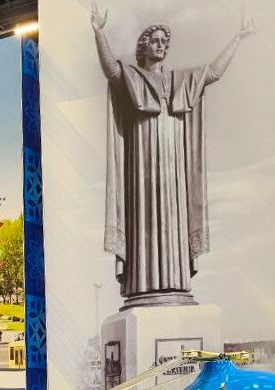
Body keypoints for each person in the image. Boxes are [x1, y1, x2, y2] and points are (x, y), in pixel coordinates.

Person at [93, 4, 254, 307]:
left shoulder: (179, 81)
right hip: (142, 164)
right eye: (155, 41)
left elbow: (213, 73)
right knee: (144, 218)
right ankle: (143, 284)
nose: (161, 45)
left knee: (173, 217)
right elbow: (111, 69)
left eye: (164, 42)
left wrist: (238, 37)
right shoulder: (132, 77)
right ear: (143, 47)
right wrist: (98, 31)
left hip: (173, 166)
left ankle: (175, 281)